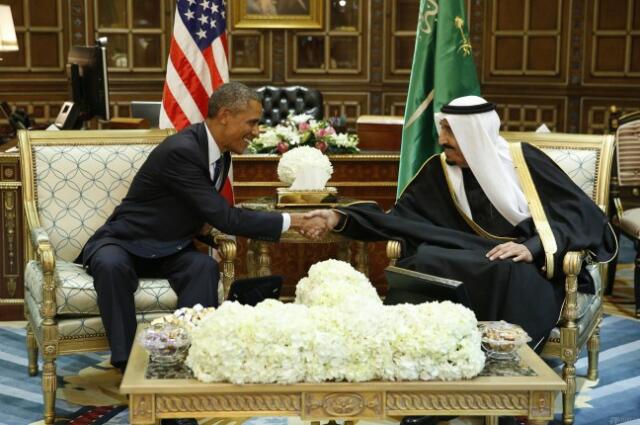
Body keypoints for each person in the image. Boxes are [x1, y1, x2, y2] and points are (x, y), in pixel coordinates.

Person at [306, 95, 616, 351]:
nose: (442, 140)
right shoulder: (439, 170)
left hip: (521, 262)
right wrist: (339, 217)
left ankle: (504, 363)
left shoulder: (522, 160)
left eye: (450, 132)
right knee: (424, 261)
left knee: (506, 269)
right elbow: (397, 221)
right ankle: (427, 354)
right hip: (465, 253)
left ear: (474, 135)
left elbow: (583, 215)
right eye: (442, 129)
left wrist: (533, 247)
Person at [78, 82, 324, 375]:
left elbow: (199, 208)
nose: (257, 131)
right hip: (124, 241)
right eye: (251, 122)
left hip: (169, 247)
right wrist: (295, 220)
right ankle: (127, 364)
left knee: (203, 267)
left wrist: (207, 228)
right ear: (225, 116)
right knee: (111, 265)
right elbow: (226, 218)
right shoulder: (182, 150)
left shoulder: (221, 153)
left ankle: (193, 355)